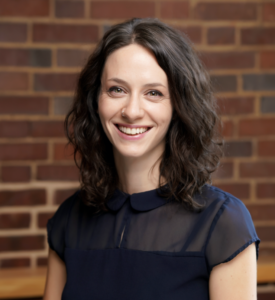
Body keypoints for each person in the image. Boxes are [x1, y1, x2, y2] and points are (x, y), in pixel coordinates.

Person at [43, 17, 260, 300]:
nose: (132, 111)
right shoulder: (69, 220)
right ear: (96, 100)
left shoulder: (223, 224)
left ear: (179, 106)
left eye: (154, 93)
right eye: (116, 89)